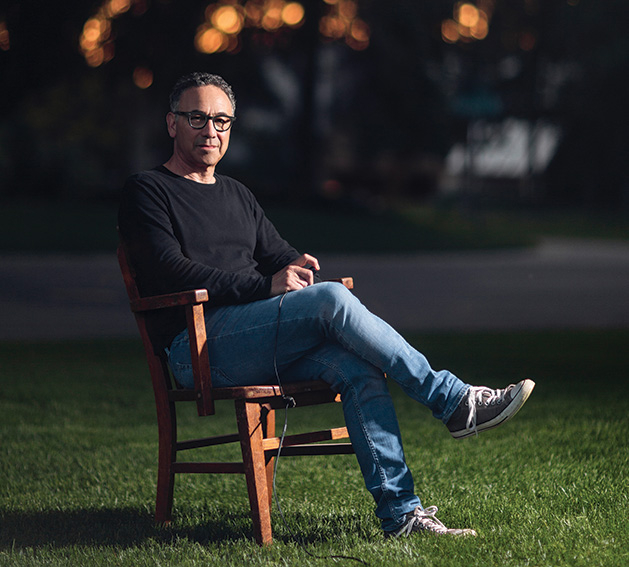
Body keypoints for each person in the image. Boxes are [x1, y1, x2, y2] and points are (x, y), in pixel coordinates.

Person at [118, 72, 535, 539]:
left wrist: (294, 265)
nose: (210, 130)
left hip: (257, 338)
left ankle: (402, 515)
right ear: (172, 123)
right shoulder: (146, 190)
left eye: (221, 120)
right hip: (197, 348)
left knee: (357, 366)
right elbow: (170, 271)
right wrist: (267, 286)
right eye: (197, 118)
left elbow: (277, 255)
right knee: (334, 298)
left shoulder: (236, 194)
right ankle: (452, 400)